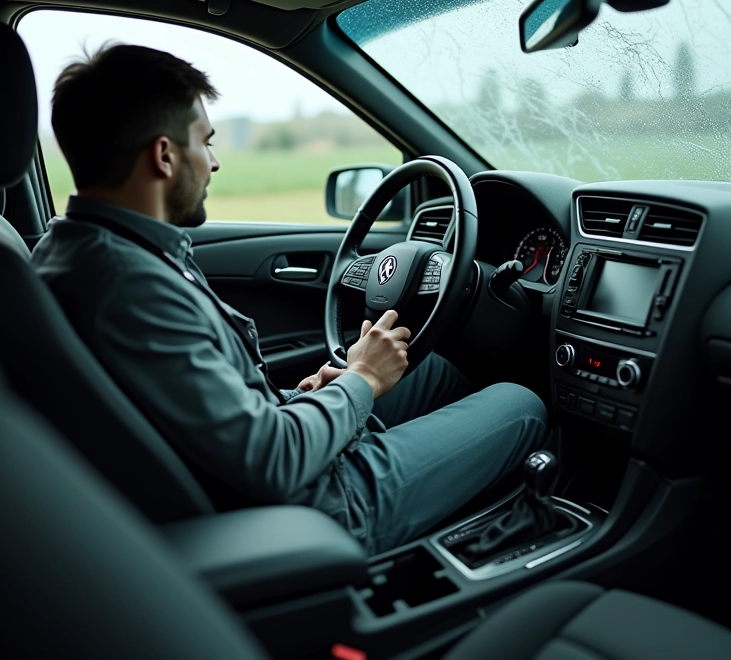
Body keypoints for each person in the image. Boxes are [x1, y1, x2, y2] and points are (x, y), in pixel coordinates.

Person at [32, 44, 547, 555]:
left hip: (262, 469)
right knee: (523, 406)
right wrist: (361, 380)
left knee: (431, 371)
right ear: (164, 156)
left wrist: (309, 399)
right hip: (317, 504)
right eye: (204, 143)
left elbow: (218, 416)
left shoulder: (86, 249)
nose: (213, 164)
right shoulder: (129, 287)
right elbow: (271, 460)